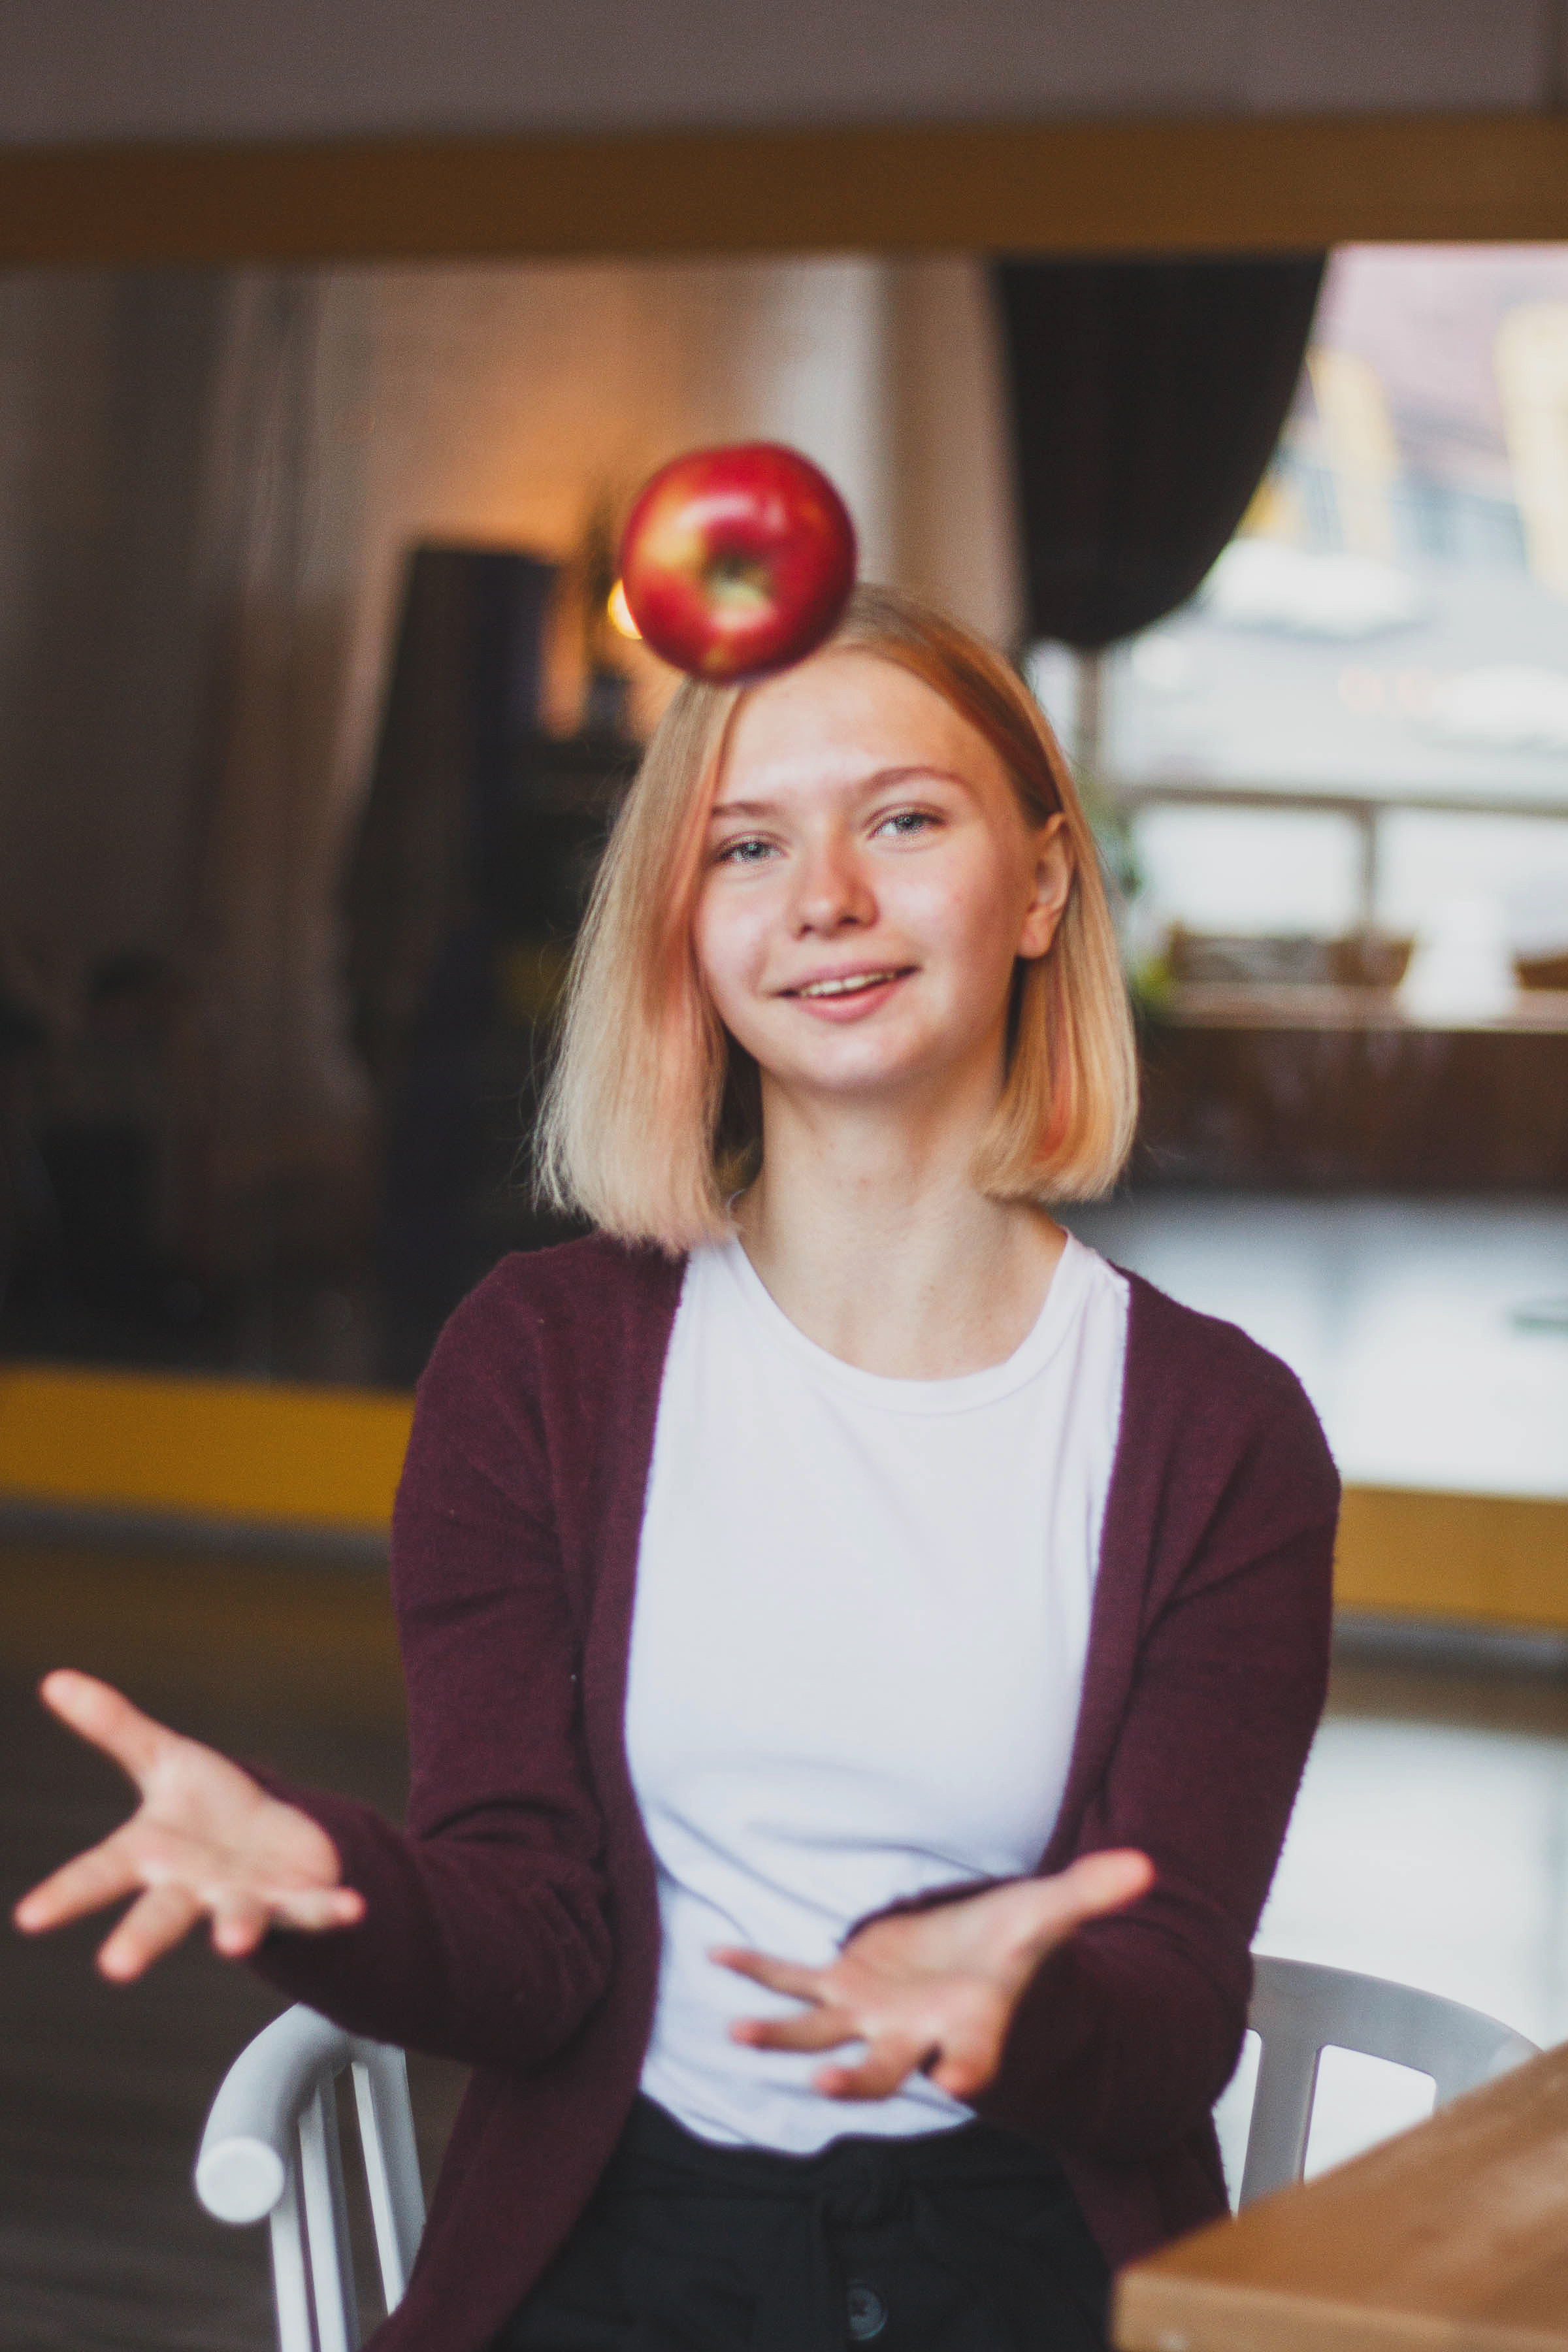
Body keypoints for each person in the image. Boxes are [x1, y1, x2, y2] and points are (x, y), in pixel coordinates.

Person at [14, 587, 1339, 2352]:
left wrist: (1015, 2008)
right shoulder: (542, 1364)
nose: (827, 903)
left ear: (1039, 883)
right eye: (746, 847)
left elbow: (1169, 2018)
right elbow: (529, 1946)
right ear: (683, 934)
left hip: (1022, 2256)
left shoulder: (1219, 1436)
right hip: (627, 2244)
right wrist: (315, 1874)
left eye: (903, 819)